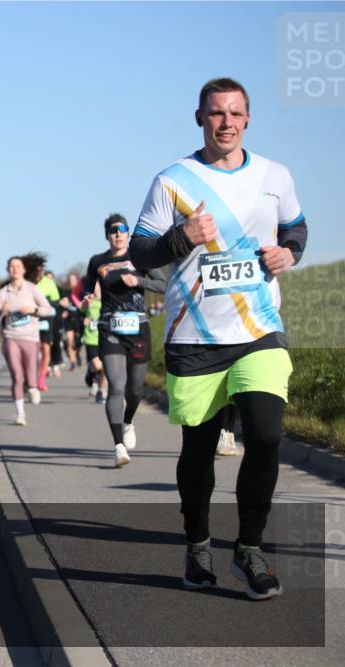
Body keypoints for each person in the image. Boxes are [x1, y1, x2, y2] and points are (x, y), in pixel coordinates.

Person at [129, 78, 308, 600]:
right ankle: (198, 541)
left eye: (235, 113)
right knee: (199, 450)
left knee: (266, 435)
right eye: (215, 114)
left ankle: (249, 550)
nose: (225, 122)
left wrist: (288, 254)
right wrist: (184, 235)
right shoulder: (173, 181)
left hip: (259, 331)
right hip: (196, 337)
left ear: (248, 119)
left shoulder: (276, 176)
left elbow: (296, 228)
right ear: (199, 118)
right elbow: (142, 254)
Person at [83, 213, 166, 467]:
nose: (117, 234)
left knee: (136, 390)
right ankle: (118, 446)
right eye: (112, 230)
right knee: (116, 386)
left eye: (122, 229)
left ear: (128, 233)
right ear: (107, 235)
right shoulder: (98, 261)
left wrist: (138, 280)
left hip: (138, 328)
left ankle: (128, 420)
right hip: (110, 328)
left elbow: (163, 284)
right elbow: (88, 288)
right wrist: (88, 298)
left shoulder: (139, 258)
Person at [0, 257, 54, 425]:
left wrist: (33, 310)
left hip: (30, 337)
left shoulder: (32, 289)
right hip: (10, 337)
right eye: (11, 266)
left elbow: (49, 310)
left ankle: (32, 386)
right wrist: (0, 313)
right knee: (17, 376)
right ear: (8, 269)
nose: (15, 269)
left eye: (18, 266)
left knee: (29, 376)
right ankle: (20, 413)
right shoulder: (3, 293)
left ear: (24, 270)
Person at [23, 254, 59, 391]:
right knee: (30, 351)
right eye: (36, 269)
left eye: (41, 269)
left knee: (45, 349)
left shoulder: (49, 284)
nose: (39, 272)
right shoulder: (26, 283)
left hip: (45, 320)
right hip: (29, 321)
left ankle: (41, 379)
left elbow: (55, 302)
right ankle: (28, 378)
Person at [80, 289, 106, 403]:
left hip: (104, 336)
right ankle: (90, 373)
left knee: (104, 365)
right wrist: (84, 319)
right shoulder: (88, 299)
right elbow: (80, 311)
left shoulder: (108, 299)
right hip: (91, 337)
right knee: (97, 365)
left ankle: (101, 391)